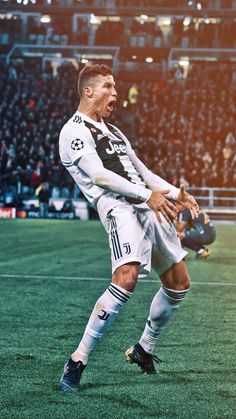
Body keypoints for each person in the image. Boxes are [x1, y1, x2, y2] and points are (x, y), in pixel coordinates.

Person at [58, 64, 199, 393]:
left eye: (115, 87)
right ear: (88, 91)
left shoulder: (115, 132)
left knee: (179, 283)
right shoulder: (73, 131)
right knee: (127, 276)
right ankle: (77, 360)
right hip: (119, 206)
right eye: (108, 86)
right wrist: (145, 196)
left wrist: (179, 194)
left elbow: (143, 173)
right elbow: (98, 176)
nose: (115, 93)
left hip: (148, 203)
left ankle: (143, 349)